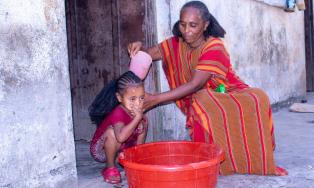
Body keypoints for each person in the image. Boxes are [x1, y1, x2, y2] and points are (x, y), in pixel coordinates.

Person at [127, 1, 287, 176]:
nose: (186, 30)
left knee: (257, 97)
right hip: (204, 97)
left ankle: (252, 158)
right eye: (183, 24)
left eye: (193, 25)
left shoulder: (214, 46)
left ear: (205, 25)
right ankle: (209, 159)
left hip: (229, 93)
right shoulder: (175, 43)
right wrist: (139, 48)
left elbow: (195, 84)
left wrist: (155, 99)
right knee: (202, 100)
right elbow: (149, 54)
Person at [88, 71, 148, 184]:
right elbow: (120, 137)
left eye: (141, 98)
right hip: (101, 150)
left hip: (121, 148)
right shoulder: (118, 112)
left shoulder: (140, 116)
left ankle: (128, 160)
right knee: (112, 132)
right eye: (132, 99)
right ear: (119, 98)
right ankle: (109, 168)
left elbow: (139, 145)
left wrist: (135, 163)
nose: (138, 104)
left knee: (143, 123)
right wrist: (137, 118)